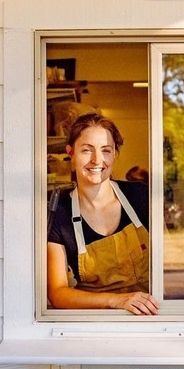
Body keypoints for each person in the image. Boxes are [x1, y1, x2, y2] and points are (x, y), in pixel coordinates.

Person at [47, 113, 159, 315]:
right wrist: (117, 301)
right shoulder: (59, 212)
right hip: (94, 320)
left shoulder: (141, 196)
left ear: (115, 154)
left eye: (106, 150)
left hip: (151, 314)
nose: (97, 160)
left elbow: (170, 263)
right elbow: (58, 293)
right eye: (87, 150)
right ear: (71, 153)